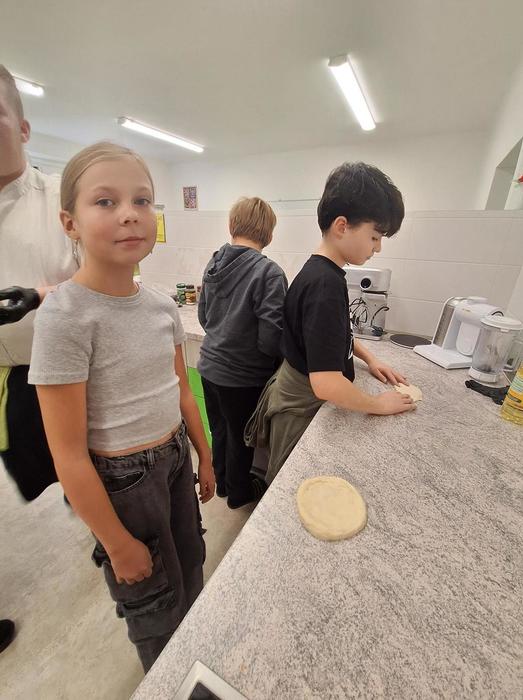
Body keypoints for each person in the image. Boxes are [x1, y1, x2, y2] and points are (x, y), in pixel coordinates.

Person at [28, 142, 215, 672]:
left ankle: (194, 660)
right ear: (70, 222)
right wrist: (116, 543)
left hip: (175, 458)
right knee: (153, 598)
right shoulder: (64, 317)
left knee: (192, 566)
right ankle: (168, 677)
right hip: (123, 482)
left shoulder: (161, 306)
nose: (130, 213)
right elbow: (68, 456)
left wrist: (204, 454)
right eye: (105, 201)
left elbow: (181, 391)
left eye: (142, 200)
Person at [245, 162, 415, 484]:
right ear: (342, 226)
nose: (378, 247)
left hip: (300, 397)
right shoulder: (325, 285)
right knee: (294, 489)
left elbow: (331, 336)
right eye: (375, 236)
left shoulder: (323, 272)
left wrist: (370, 358)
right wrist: (379, 404)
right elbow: (326, 383)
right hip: (301, 408)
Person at [0, 64, 78, 500]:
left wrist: (38, 297)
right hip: (7, 389)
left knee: (91, 481)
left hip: (71, 379)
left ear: (24, 129)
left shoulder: (64, 198)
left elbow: (109, 285)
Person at [198, 197, 287, 509]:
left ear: (231, 225)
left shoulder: (214, 261)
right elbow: (271, 337)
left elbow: (204, 317)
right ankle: (238, 494)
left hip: (208, 367)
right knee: (241, 438)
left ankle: (222, 483)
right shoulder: (269, 273)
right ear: (269, 234)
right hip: (243, 377)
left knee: (220, 430)